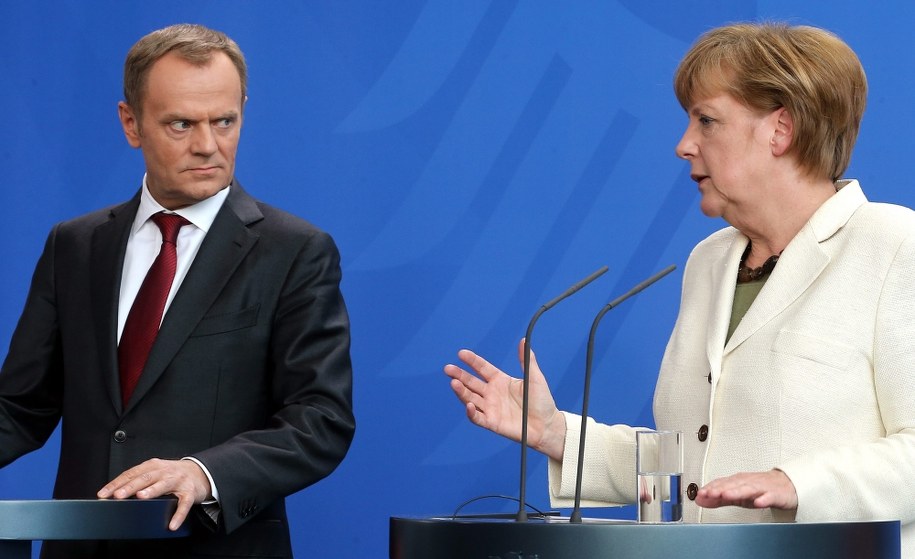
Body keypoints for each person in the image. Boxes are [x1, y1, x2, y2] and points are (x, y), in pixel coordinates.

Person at [445, 22, 915, 556]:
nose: (683, 145)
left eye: (706, 120)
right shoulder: (710, 260)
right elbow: (693, 465)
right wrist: (558, 435)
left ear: (780, 129)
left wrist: (797, 483)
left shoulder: (894, 245)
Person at [0, 24, 355, 558]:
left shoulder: (295, 251)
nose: (207, 145)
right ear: (131, 123)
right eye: (181, 123)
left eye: (225, 121)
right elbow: (21, 406)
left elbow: (320, 419)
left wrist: (202, 472)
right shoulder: (74, 246)